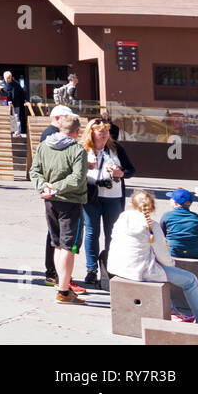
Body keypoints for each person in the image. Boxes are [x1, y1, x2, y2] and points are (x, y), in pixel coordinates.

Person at [108, 190, 198, 335]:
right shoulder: (152, 226)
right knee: (190, 280)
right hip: (140, 271)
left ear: (131, 204)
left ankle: (173, 312)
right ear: (153, 208)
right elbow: (164, 258)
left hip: (117, 266)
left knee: (165, 273)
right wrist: (171, 265)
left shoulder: (122, 217)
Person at [29, 112, 89, 304]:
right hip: (70, 201)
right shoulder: (77, 151)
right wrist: (55, 188)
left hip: (49, 201)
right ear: (77, 131)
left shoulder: (43, 146)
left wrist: (43, 186)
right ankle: (64, 290)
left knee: (56, 244)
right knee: (68, 247)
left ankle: (60, 283)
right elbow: (77, 179)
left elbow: (34, 171)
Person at [81, 118, 127, 286]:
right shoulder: (83, 149)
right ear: (91, 133)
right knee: (92, 232)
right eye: (101, 132)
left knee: (112, 234)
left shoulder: (116, 149)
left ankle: (110, 268)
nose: (105, 135)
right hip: (91, 195)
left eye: (106, 132)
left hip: (113, 197)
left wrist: (119, 173)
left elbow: (130, 169)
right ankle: (91, 269)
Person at [160, 188, 198, 260]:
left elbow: (161, 235)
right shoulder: (197, 217)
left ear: (175, 203)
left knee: (165, 245)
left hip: (173, 252)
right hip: (196, 253)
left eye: (171, 198)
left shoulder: (167, 216)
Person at [0, 70, 27, 136]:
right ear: (4, 77)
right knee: (7, 118)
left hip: (16, 103)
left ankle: (17, 133)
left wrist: (24, 100)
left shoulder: (16, 84)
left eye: (10, 77)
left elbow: (22, 93)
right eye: (7, 78)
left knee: (16, 118)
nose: (9, 79)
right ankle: (7, 132)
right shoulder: (1, 84)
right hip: (5, 104)